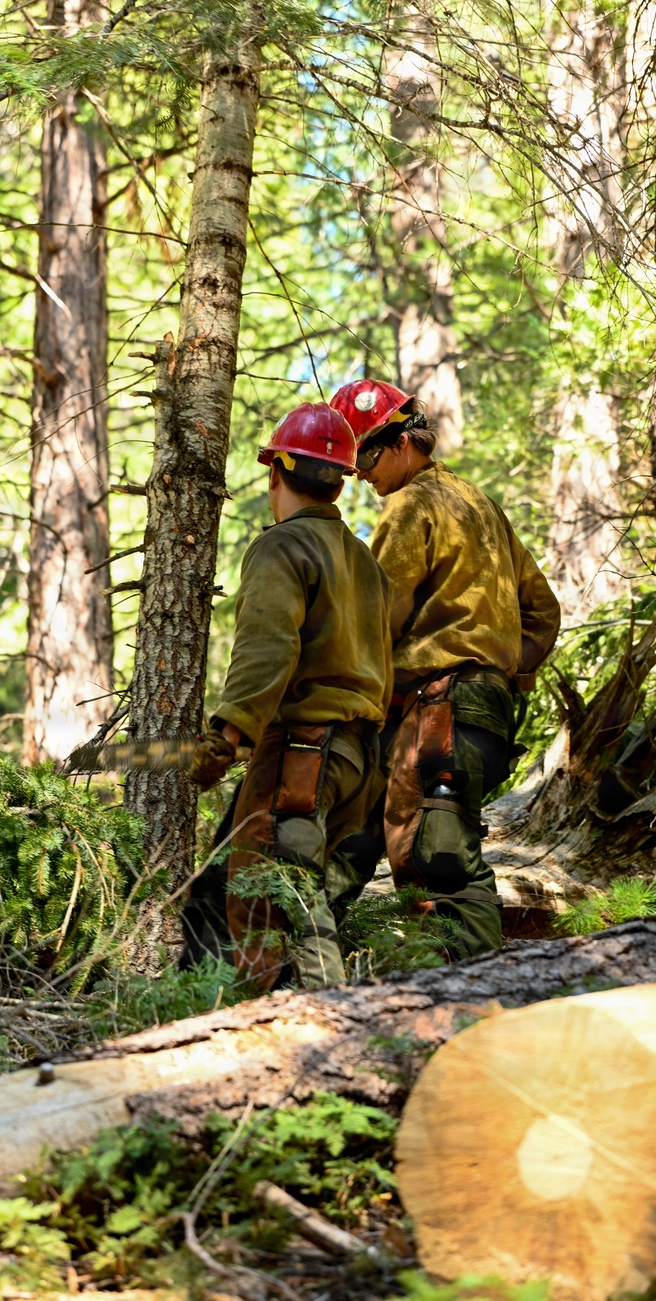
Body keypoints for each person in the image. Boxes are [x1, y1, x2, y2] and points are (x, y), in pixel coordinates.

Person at [326, 380, 562, 959]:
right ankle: (312, 960)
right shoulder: (477, 503)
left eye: (365, 455)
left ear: (404, 443)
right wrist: (501, 672)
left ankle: (471, 994)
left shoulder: (411, 506)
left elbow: (376, 619)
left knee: (439, 860)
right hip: (473, 713)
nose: (358, 473)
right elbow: (544, 612)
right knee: (361, 838)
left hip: (439, 713)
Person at [186, 402, 393, 992]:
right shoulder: (365, 564)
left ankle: (319, 1033)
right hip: (355, 761)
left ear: (275, 471)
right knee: (221, 892)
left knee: (279, 902)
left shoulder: (281, 547)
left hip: (303, 756)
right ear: (338, 482)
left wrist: (228, 734)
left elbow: (268, 648)